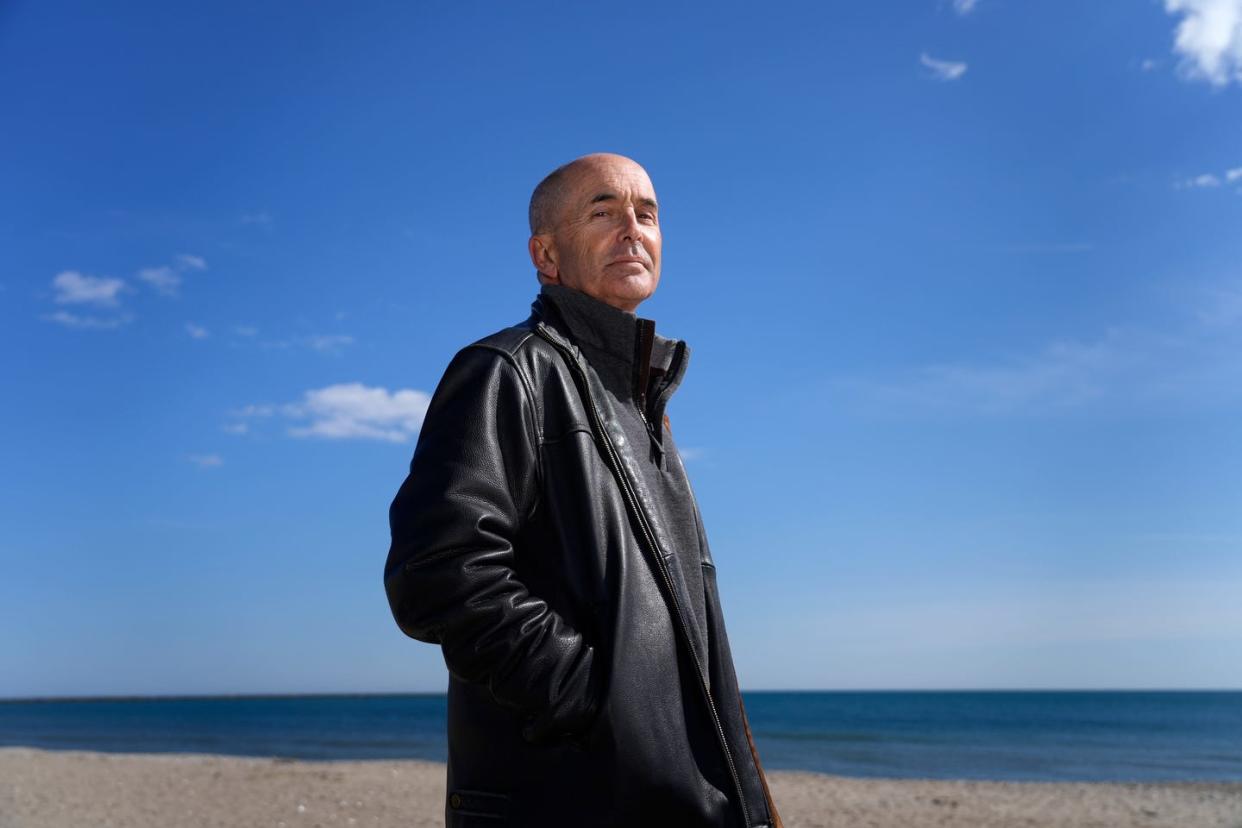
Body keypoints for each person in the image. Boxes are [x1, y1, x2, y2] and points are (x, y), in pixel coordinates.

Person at [383, 152, 783, 827]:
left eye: (647, 213)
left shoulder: (643, 403)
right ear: (547, 253)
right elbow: (440, 576)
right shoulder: (506, 371)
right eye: (604, 211)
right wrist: (603, 706)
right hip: (576, 798)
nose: (633, 228)